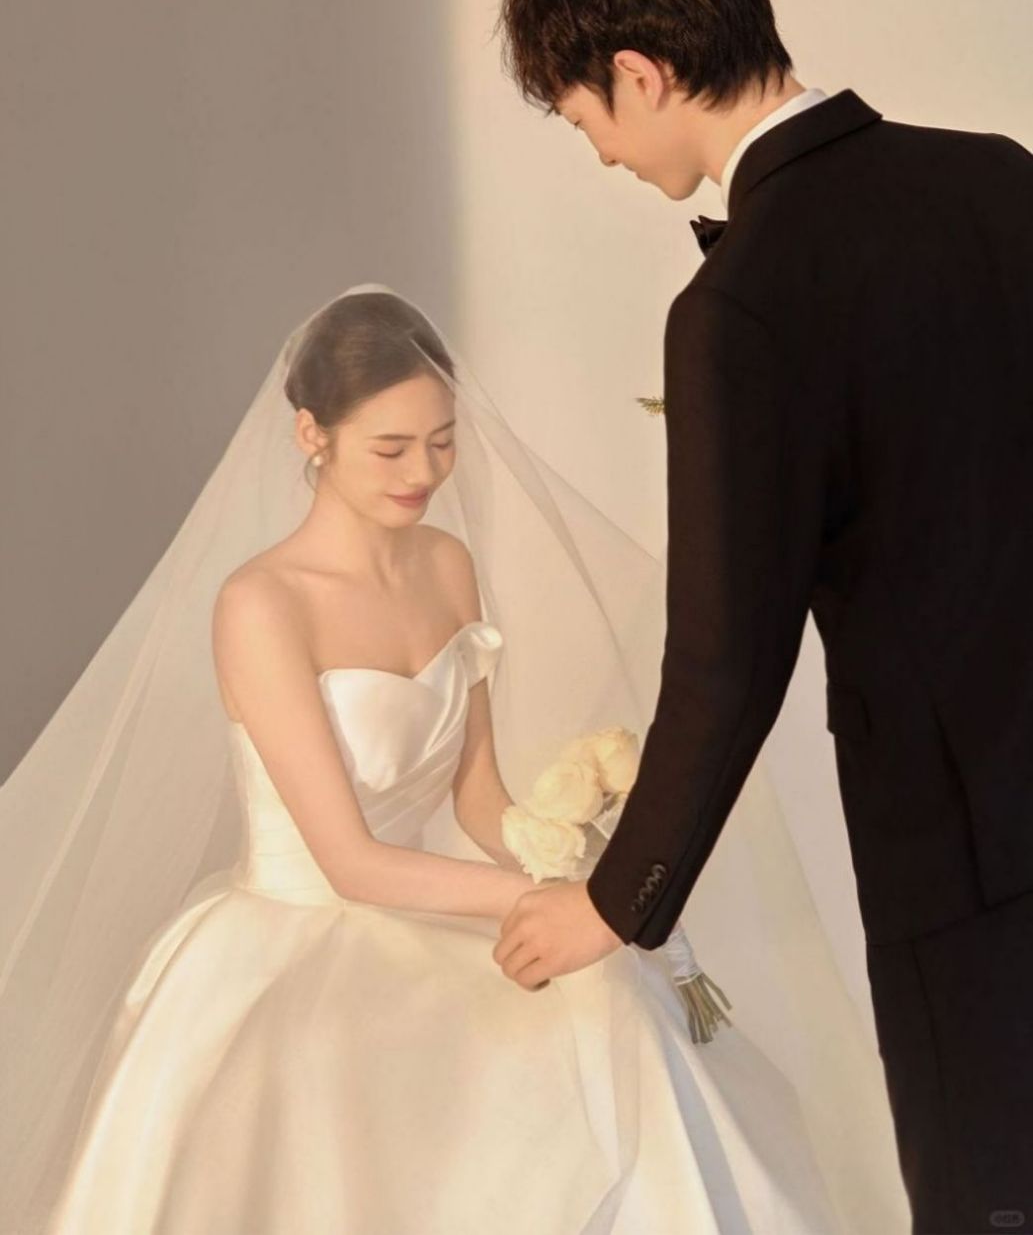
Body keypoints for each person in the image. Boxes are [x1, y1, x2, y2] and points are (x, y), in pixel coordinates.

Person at [0, 287, 908, 1233]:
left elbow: (477, 795)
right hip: (298, 936)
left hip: (425, 903)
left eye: (441, 441)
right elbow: (350, 864)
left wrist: (578, 872)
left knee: (611, 1014)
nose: (424, 471)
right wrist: (553, 902)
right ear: (312, 435)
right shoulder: (261, 604)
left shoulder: (444, 563)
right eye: (390, 448)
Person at [496, 0, 1033, 1234]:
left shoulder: (736, 306)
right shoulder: (1000, 176)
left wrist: (618, 902)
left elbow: (726, 659)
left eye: (583, 120)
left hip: (961, 845)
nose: (601, 156)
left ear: (638, 73)